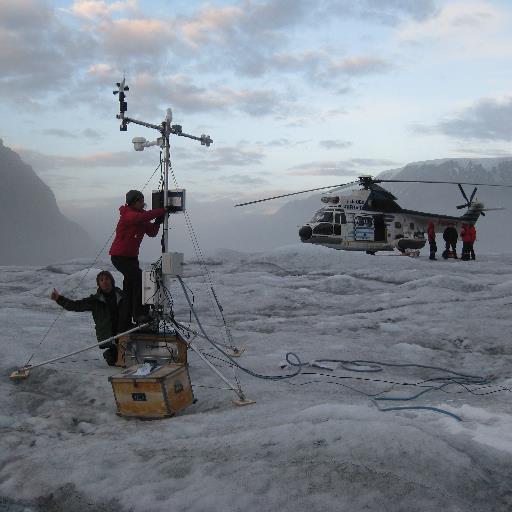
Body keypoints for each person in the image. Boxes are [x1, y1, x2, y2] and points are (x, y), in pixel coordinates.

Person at [109, 190, 167, 324]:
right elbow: (140, 218)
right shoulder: (127, 214)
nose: (142, 203)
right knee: (141, 279)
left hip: (132, 258)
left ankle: (126, 317)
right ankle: (140, 314)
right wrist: (161, 210)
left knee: (130, 285)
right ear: (133, 202)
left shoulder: (140, 216)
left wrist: (157, 222)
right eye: (140, 201)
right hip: (119, 257)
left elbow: (151, 232)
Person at [51, 270, 130, 366]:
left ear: (111, 281)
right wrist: (59, 299)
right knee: (113, 361)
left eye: (107, 279)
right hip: (108, 335)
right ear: (99, 284)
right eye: (101, 280)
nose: (104, 282)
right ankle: (111, 353)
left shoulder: (122, 296)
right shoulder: (95, 300)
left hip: (126, 332)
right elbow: (76, 305)